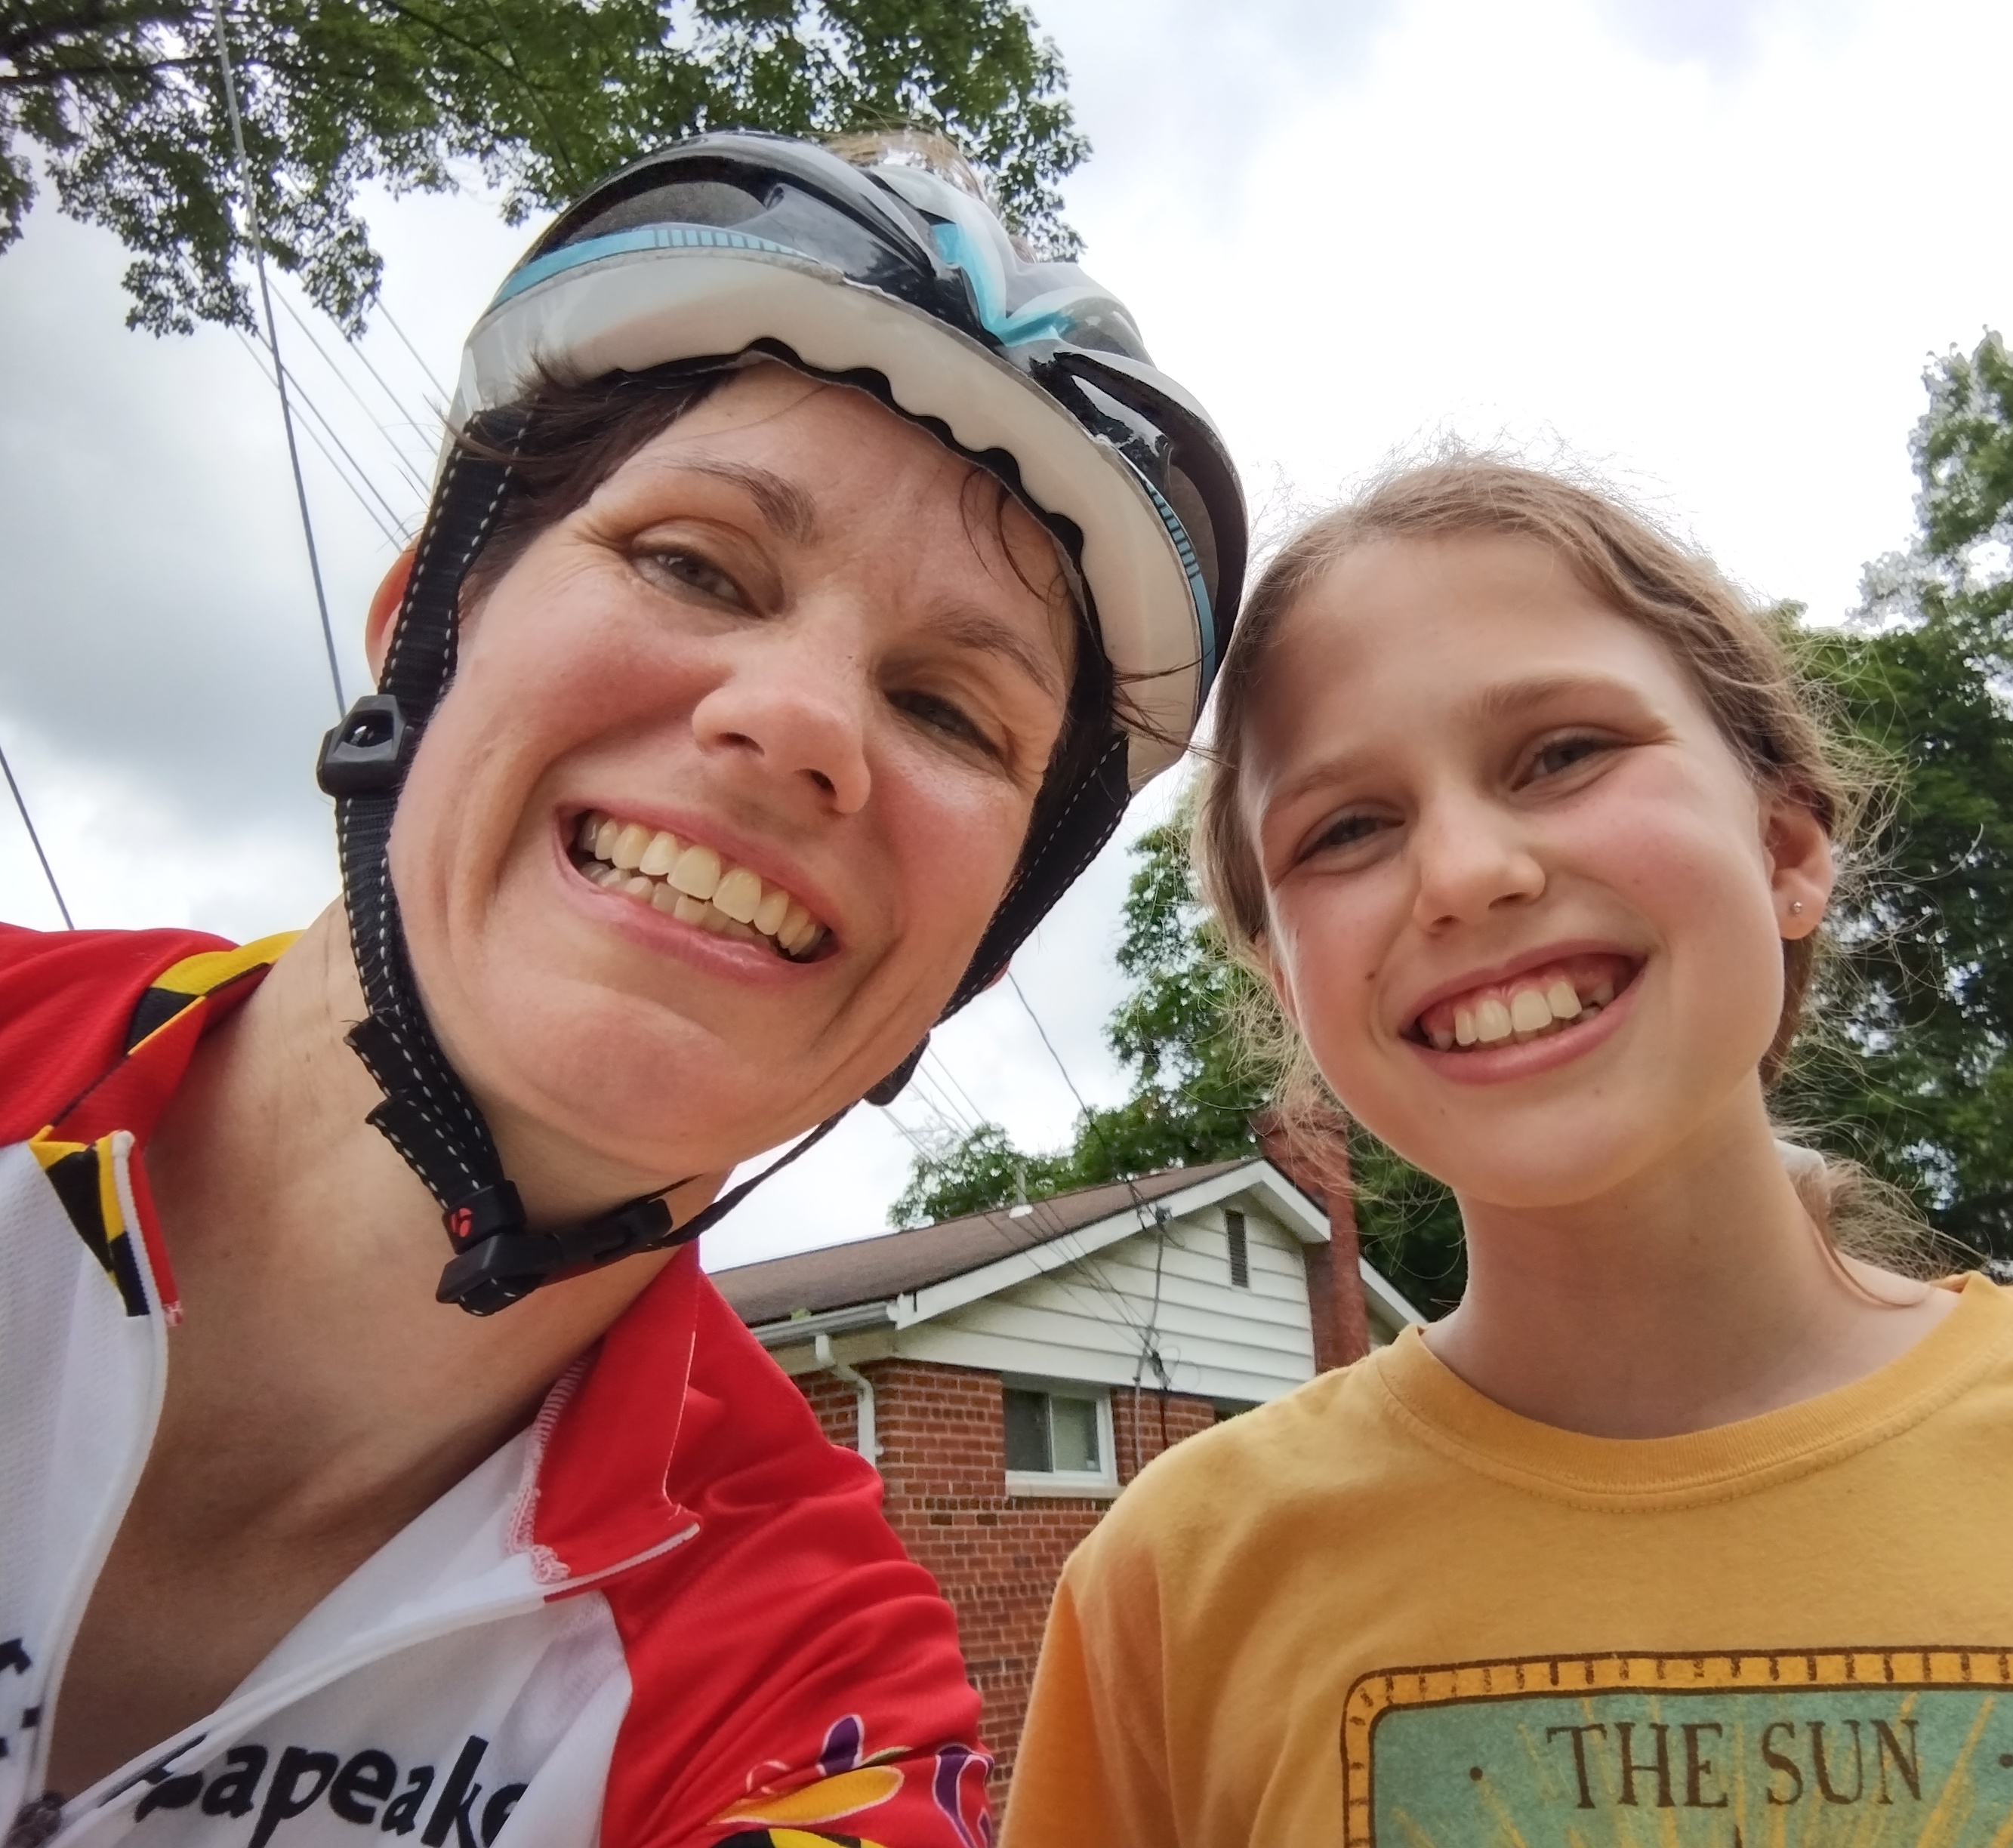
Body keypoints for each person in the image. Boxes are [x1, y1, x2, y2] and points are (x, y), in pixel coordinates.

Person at [0, 130, 1245, 1848]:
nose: (800, 722)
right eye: (695, 564)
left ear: (985, 946)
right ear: (417, 630)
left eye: (953, 711)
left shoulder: (821, 1707)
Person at [1000, 457, 2013, 1846]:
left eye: (1561, 754)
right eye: (1346, 830)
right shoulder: (1177, 1587)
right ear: (1285, 979)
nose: (1463, 873)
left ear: (1785, 849)